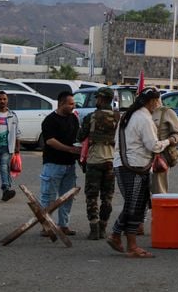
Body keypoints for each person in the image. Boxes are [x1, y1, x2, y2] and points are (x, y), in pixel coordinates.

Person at [106, 87, 175, 258]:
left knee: (135, 205)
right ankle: (128, 243)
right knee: (134, 207)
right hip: (135, 167)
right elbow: (153, 145)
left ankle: (118, 237)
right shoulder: (144, 118)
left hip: (123, 164)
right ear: (152, 102)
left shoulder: (128, 116)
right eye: (157, 101)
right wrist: (168, 141)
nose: (158, 104)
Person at [77, 87, 120, 240]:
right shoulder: (118, 118)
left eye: (97, 98)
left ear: (101, 99)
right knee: (107, 197)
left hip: (94, 161)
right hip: (111, 161)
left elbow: (80, 136)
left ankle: (94, 228)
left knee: (92, 196)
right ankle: (103, 227)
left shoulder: (91, 117)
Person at [40, 90, 81, 236]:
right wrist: (69, 149)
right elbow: (50, 141)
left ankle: (64, 225)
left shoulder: (73, 118)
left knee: (67, 196)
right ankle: (47, 226)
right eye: (70, 104)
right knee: (49, 196)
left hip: (70, 164)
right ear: (61, 104)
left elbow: (77, 137)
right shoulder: (50, 120)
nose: (73, 106)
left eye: (73, 104)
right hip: (53, 163)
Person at [151, 104, 178, 195]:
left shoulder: (167, 112)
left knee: (159, 192)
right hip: (141, 158)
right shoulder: (141, 112)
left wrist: (167, 141)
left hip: (159, 159)